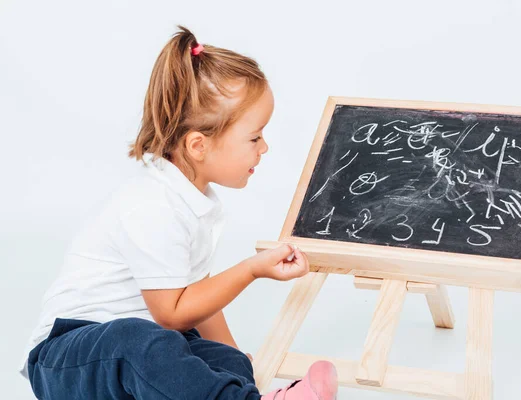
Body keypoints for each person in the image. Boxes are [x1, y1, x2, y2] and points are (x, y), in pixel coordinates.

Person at [20, 25, 338, 400]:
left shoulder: (194, 201)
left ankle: (245, 393)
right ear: (198, 145)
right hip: (70, 356)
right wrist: (252, 270)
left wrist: (238, 362)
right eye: (254, 137)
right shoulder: (153, 205)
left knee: (227, 362)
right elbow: (173, 313)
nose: (264, 148)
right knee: (138, 342)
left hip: (139, 346)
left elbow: (197, 299)